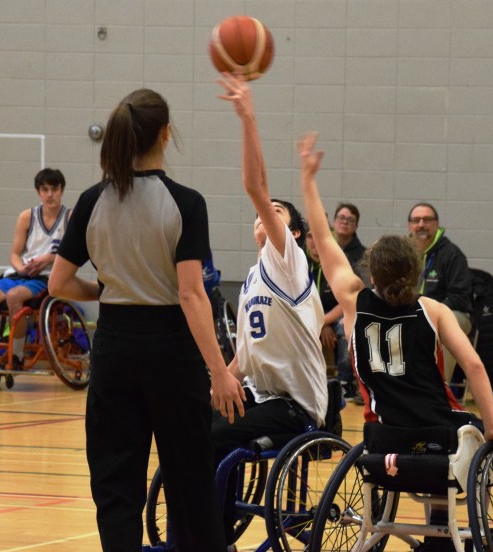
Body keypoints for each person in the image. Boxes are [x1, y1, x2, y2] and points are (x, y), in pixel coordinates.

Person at [47, 88, 244, 552]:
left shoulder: (91, 200)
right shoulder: (186, 203)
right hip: (171, 350)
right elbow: (191, 294)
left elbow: (58, 283)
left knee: (116, 482)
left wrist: (105, 291)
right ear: (165, 134)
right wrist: (219, 371)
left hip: (114, 347)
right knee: (190, 479)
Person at [299, 133, 493, 551]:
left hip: (381, 441)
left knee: (433, 438)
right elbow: (474, 366)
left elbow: (324, 241)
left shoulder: (353, 303)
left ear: (371, 273)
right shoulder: (433, 310)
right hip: (438, 438)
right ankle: (449, 536)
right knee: (473, 441)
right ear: (415, 271)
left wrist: (308, 180)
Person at [213, 75, 329, 545]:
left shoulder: (287, 260)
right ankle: (208, 528)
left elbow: (254, 185)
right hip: (261, 395)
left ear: (293, 233)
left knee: (212, 434)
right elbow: (246, 355)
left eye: (277, 212)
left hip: (295, 405)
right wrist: (219, 381)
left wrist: (248, 118)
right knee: (193, 423)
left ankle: (212, 534)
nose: (265, 214)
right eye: (263, 212)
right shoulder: (252, 279)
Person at [0, 167, 69, 389]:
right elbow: (14, 254)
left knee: (14, 297)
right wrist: (21, 268)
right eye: (45, 190)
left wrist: (49, 258)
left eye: (54, 189)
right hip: (20, 274)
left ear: (62, 190)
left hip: (46, 278)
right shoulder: (27, 217)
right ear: (38, 192)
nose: (50, 194)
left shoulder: (69, 218)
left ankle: (16, 356)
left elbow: (74, 254)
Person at [408, 202, 473, 387]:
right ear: (410, 225)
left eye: (427, 220)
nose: (421, 224)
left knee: (445, 325)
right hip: (412, 314)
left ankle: (438, 389)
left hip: (449, 314)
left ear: (436, 224)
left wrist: (431, 313)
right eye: (416, 220)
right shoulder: (403, 254)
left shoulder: (452, 254)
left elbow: (460, 298)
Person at [306, 229, 361, 404]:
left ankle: (345, 382)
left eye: (317, 236)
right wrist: (320, 324)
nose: (314, 241)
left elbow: (349, 299)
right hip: (307, 317)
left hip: (336, 316)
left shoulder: (340, 264)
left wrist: (324, 322)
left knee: (347, 326)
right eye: (310, 236)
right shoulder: (298, 263)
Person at [331, 202, 367, 273]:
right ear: (333, 222)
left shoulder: (364, 256)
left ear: (356, 226)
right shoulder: (323, 250)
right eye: (341, 218)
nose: (345, 222)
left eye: (350, 220)